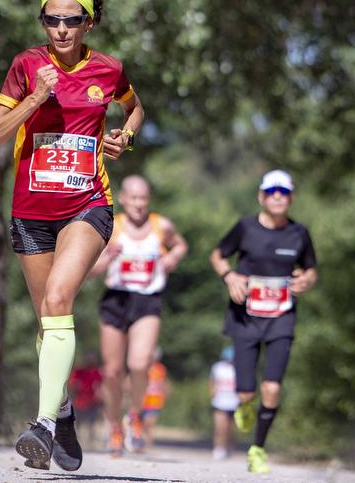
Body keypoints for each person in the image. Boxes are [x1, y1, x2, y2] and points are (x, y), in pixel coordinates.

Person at [0, 0, 143, 471]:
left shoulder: (108, 70)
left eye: (72, 20)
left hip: (87, 205)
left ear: (89, 23)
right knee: (48, 324)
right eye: (51, 19)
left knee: (58, 299)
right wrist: (35, 99)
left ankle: (44, 426)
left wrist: (123, 136)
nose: (61, 29)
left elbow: (135, 108)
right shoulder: (26, 66)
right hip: (31, 213)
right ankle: (65, 412)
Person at [209, 169, 318, 474]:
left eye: (284, 192)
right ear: (261, 196)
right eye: (272, 192)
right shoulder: (245, 228)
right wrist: (229, 276)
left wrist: (306, 281)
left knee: (272, 387)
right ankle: (244, 404)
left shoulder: (299, 234)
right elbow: (217, 255)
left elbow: (311, 270)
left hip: (281, 317)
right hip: (245, 317)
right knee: (247, 392)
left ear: (292, 197)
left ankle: (257, 449)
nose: (278, 197)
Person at [88, 175, 187, 455]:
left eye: (143, 198)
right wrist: (106, 257)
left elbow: (181, 245)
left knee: (141, 364)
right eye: (133, 198)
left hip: (147, 301)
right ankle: (115, 429)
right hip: (115, 300)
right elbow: (89, 269)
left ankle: (134, 416)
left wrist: (172, 258)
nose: (139, 204)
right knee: (112, 372)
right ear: (122, 199)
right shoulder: (112, 226)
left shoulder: (161, 225)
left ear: (149, 199)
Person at [67, 351, 104, 448]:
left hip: (92, 402)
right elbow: (72, 383)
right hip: (79, 401)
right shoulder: (79, 371)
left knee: (91, 422)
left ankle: (90, 441)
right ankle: (77, 440)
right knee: (77, 422)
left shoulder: (96, 372)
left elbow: (100, 385)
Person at [209, 345, 240, 461]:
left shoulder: (239, 368)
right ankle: (218, 448)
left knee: (231, 429)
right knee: (220, 427)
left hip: (234, 403)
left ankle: (229, 447)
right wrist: (212, 393)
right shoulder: (217, 367)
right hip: (219, 402)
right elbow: (211, 382)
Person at [141, 346, 169, 447]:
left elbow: (163, 383)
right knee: (143, 423)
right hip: (143, 399)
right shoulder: (142, 367)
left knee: (150, 423)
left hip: (155, 400)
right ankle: (141, 440)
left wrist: (165, 393)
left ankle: (148, 443)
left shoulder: (161, 369)